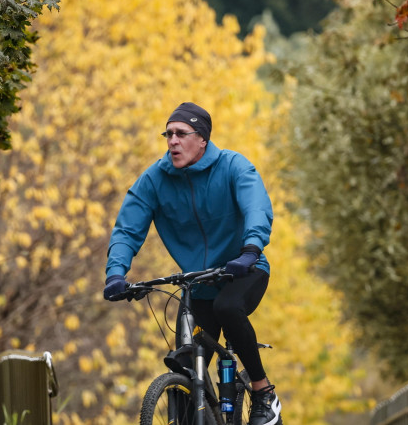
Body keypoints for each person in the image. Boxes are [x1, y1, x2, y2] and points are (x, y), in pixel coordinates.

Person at [103, 102, 283, 425]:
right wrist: (116, 273)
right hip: (199, 285)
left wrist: (250, 249)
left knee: (227, 307)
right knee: (186, 366)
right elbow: (128, 227)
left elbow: (257, 204)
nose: (172, 141)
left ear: (202, 139)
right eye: (168, 134)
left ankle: (263, 392)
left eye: (180, 134)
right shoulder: (155, 180)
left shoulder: (232, 166)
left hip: (244, 270)